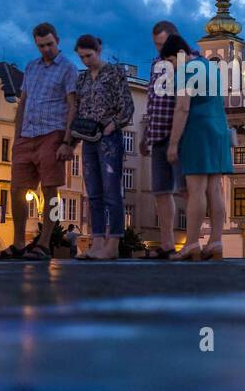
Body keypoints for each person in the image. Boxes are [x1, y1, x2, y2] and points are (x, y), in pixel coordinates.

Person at [0, 22, 77, 260]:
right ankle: (19, 242)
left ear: (58, 41)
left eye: (50, 44)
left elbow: (73, 105)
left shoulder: (68, 68)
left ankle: (44, 242)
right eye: (41, 45)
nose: (46, 49)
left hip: (52, 133)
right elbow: (23, 102)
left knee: (50, 189)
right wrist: (16, 136)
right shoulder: (31, 67)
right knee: (16, 190)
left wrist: (67, 140)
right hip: (27, 135)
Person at [163, 33, 232, 260]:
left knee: (196, 190)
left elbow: (182, 108)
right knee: (215, 189)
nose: (171, 67)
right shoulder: (211, 68)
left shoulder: (186, 70)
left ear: (178, 55)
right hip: (219, 129)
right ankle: (216, 242)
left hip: (198, 131)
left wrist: (173, 144)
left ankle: (191, 243)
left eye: (171, 62)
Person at [73, 34, 134, 260]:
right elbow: (78, 107)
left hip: (109, 137)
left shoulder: (115, 73)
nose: (86, 61)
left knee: (112, 191)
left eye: (88, 56)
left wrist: (113, 125)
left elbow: (127, 107)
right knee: (93, 193)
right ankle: (96, 241)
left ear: (99, 49)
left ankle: (113, 243)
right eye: (81, 57)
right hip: (88, 137)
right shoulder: (82, 79)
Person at [139, 20, 191, 258]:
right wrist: (145, 133)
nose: (158, 50)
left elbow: (184, 103)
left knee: (186, 189)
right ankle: (168, 242)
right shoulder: (156, 63)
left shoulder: (190, 61)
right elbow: (152, 100)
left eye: (161, 44)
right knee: (161, 190)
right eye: (155, 45)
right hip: (157, 133)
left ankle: (192, 241)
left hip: (180, 134)